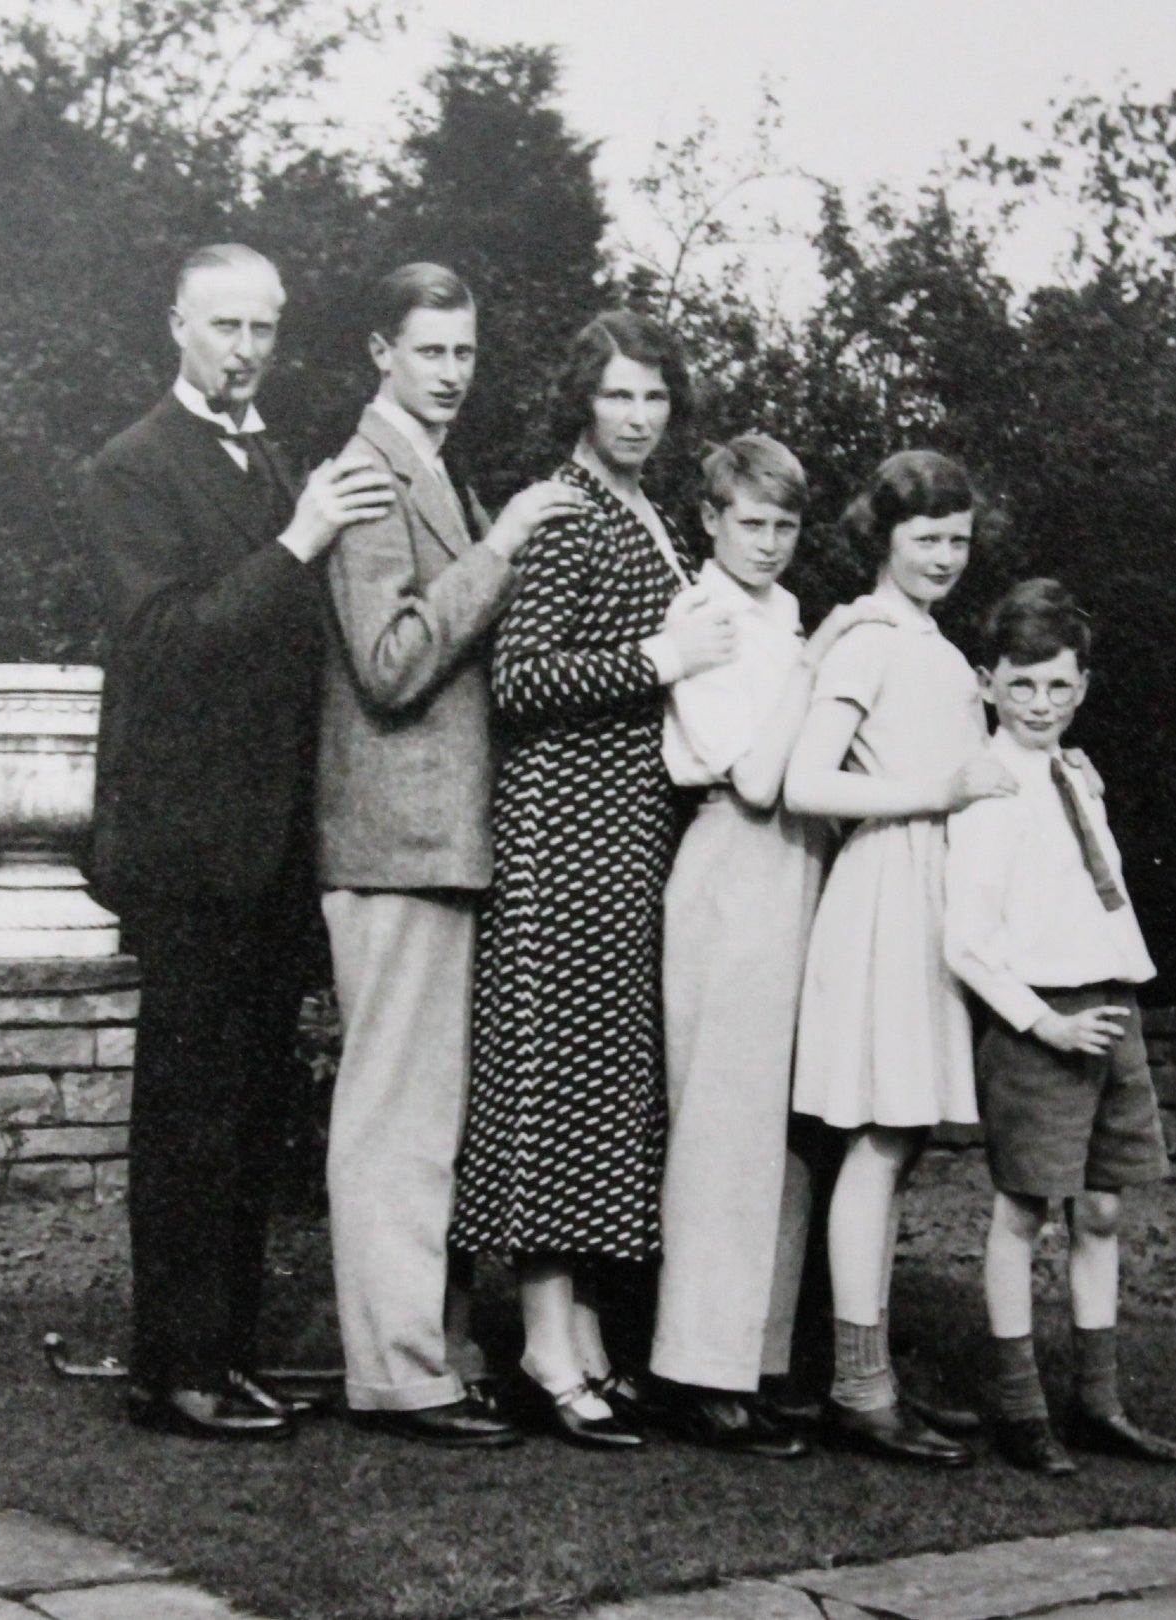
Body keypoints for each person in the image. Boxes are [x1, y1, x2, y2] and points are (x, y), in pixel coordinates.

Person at [85, 242, 395, 1441]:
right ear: (176, 325)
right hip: (186, 849)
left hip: (271, 849)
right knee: (187, 1112)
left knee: (253, 1109)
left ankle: (225, 1352)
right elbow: (164, 641)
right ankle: (174, 1372)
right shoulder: (128, 470)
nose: (247, 348)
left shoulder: (268, 460)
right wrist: (301, 541)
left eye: (264, 327)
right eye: (225, 326)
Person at [451, 310, 737, 1449]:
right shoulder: (567, 512)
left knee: (597, 1082)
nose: (637, 416)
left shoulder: (648, 513)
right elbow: (517, 680)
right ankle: (541, 1343)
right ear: (585, 400)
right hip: (559, 832)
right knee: (551, 1085)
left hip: (627, 832)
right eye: (619, 395)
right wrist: (661, 660)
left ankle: (573, 1340)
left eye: (655, 398)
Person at [316, 263, 584, 1448]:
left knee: (427, 1121)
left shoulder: (432, 470)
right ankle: (401, 1377)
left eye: (467, 352)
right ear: (382, 350)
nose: (454, 373)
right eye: (432, 352)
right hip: (394, 843)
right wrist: (506, 546)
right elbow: (387, 662)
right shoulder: (370, 477)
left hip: (439, 840)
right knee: (393, 1120)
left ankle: (433, 1356)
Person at [645, 435, 883, 1458]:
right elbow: (751, 774)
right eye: (753, 522)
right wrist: (818, 661)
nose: (772, 543)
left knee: (786, 1128)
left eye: (787, 526)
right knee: (721, 1127)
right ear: (710, 518)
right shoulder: (700, 615)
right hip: (733, 855)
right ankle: (698, 1370)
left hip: (800, 864)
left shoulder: (783, 614)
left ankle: (762, 1358)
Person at [782, 449, 1013, 1468]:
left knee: (901, 1142)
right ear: (882, 537)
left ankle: (867, 1373)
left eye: (959, 540)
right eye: (926, 538)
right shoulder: (869, 639)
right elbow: (804, 783)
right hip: (881, 896)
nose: (945, 557)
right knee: (878, 1139)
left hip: (932, 899)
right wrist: (939, 794)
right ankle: (858, 1388)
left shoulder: (938, 648)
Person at [945, 579, 1176, 1474]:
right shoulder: (986, 790)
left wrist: (1100, 1014)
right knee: (1023, 1211)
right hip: (1041, 1021)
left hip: (1111, 1007)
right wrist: (1044, 1026)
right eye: (1022, 686)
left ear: (1082, 685)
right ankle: (1020, 1411)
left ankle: (1098, 1403)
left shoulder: (1075, 775)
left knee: (1101, 1208)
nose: (1041, 704)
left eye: (1058, 686)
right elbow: (966, 947)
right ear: (988, 684)